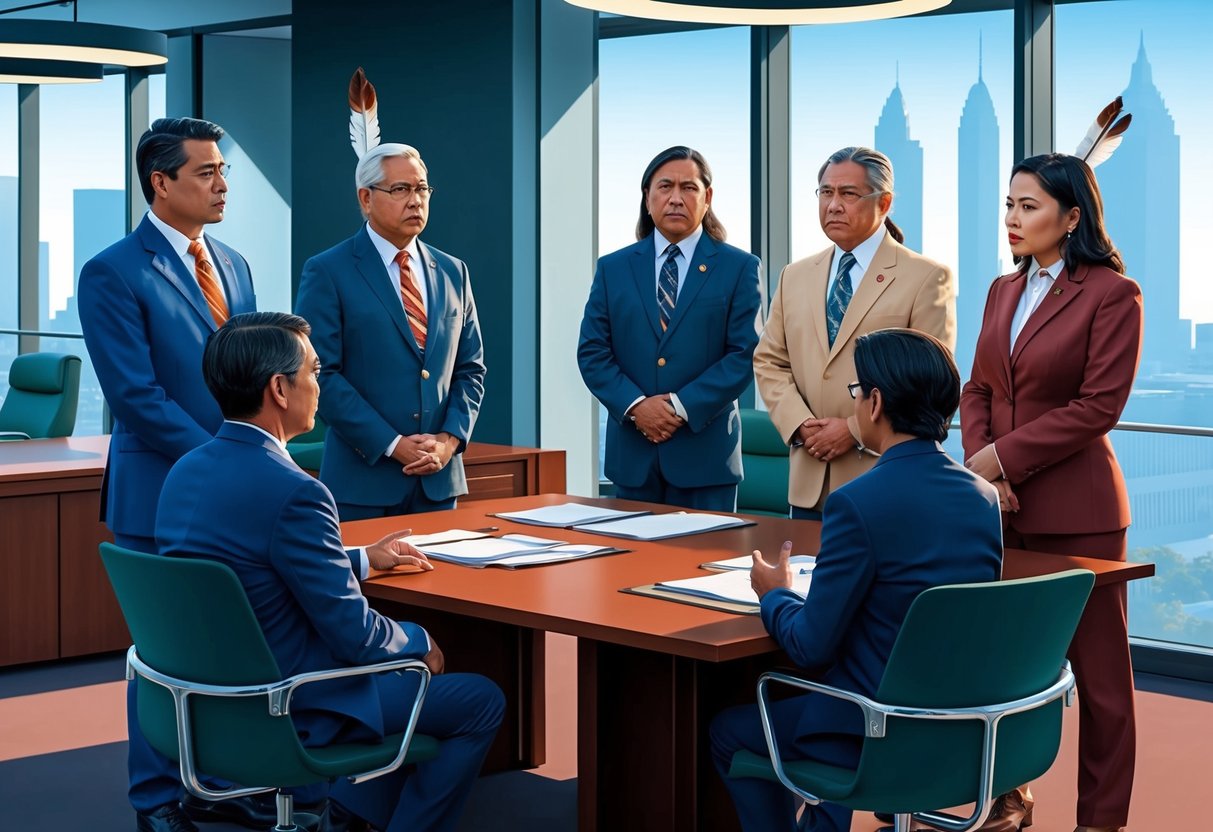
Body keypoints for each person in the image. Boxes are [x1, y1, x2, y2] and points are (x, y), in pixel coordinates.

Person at [156, 312, 504, 832]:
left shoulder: (185, 471)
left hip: (202, 703)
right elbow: (359, 638)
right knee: (479, 700)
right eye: (315, 371)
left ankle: (348, 816)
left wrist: (362, 558)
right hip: (291, 702)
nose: (320, 385)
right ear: (279, 388)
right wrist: (418, 636)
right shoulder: (296, 490)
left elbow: (248, 567)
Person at [711, 328, 1002, 832]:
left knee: (728, 731)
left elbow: (809, 646)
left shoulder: (857, 502)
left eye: (856, 391)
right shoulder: (983, 497)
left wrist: (775, 594)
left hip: (871, 727)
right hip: (961, 728)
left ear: (875, 403)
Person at [77, 117, 261, 832]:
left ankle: (223, 784)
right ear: (162, 182)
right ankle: (157, 801)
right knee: (163, 660)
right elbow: (136, 396)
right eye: (206, 172)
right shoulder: (113, 270)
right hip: (161, 496)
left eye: (224, 171)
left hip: (234, 495)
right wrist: (227, 464)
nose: (222, 185)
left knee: (229, 654)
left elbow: (248, 380)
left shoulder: (237, 265)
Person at [960, 153, 1142, 832]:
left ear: (1071, 217)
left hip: (1078, 514)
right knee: (1003, 665)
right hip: (1000, 510)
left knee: (1100, 683)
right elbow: (975, 387)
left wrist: (1000, 460)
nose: (1011, 218)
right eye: (1008, 204)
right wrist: (985, 472)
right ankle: (1009, 795)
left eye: (1027, 206)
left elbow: (1098, 406)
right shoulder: (999, 292)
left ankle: (1100, 820)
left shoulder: (1111, 294)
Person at [754, 146, 955, 519]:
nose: (833, 205)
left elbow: (929, 380)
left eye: (848, 194)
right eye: (826, 193)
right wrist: (801, 424)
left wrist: (852, 429)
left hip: (883, 478)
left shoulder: (926, 277)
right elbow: (769, 361)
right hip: (808, 481)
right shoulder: (794, 276)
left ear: (885, 203)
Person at [295, 143, 485, 521]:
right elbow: (320, 374)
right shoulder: (328, 271)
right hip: (361, 483)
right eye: (401, 190)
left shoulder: (453, 271)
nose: (415, 200)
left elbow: (470, 369)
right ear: (366, 198)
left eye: (422, 189)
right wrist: (393, 444)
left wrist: (448, 442)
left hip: (437, 481)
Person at [578, 145, 762, 510]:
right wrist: (637, 407)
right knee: (631, 567)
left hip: (707, 460)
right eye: (665, 187)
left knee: (708, 565)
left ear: (707, 198)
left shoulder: (739, 267)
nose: (676, 198)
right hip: (632, 460)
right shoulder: (613, 268)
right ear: (648, 198)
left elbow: (744, 355)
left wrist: (680, 407)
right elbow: (593, 353)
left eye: (689, 188)